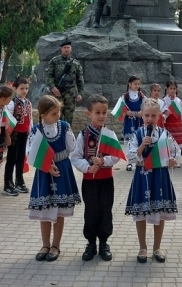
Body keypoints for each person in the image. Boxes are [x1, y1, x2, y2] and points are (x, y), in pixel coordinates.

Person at [28, 95, 81, 262]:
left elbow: (71, 147)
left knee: (58, 211)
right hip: (44, 172)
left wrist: (57, 159)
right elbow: (29, 152)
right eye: (53, 113)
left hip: (61, 170)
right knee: (44, 210)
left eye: (58, 112)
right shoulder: (36, 130)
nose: (58, 115)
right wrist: (46, 164)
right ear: (43, 115)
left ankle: (56, 245)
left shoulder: (64, 127)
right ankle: (45, 244)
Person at [125, 98, 178, 264]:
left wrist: (173, 160)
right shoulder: (137, 134)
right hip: (143, 176)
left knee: (159, 213)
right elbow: (131, 157)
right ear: (142, 116)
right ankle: (142, 247)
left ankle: (157, 247)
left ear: (159, 116)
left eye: (153, 116)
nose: (149, 119)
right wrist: (142, 146)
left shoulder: (165, 134)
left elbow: (175, 151)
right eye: (147, 115)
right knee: (141, 214)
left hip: (160, 177)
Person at [70, 94, 121, 262]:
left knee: (105, 211)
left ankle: (104, 242)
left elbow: (116, 155)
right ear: (89, 114)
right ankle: (91, 242)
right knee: (91, 212)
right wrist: (88, 167)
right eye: (97, 112)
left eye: (104, 112)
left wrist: (104, 161)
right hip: (89, 181)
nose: (101, 116)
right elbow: (76, 157)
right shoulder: (83, 135)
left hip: (106, 180)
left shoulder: (110, 134)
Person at [4, 77, 32, 196]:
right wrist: (7, 135)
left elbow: (29, 119)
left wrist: (30, 131)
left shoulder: (28, 102)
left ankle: (19, 181)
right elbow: (7, 119)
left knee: (21, 158)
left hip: (24, 133)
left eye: (26, 88)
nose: (24, 91)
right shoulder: (11, 103)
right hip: (14, 134)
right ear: (15, 89)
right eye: (21, 88)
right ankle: (8, 184)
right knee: (11, 159)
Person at [44, 41, 83, 124]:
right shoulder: (54, 61)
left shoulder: (76, 63)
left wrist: (79, 93)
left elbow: (80, 79)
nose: (66, 49)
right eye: (64, 47)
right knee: (56, 112)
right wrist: (53, 87)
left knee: (69, 113)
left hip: (71, 93)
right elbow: (48, 76)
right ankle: (57, 132)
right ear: (61, 49)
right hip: (58, 91)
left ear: (71, 49)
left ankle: (67, 131)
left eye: (68, 47)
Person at [119, 76, 145, 170]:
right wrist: (126, 112)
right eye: (135, 84)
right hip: (129, 122)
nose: (137, 86)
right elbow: (121, 107)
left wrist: (141, 113)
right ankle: (129, 162)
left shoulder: (141, 95)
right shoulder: (125, 96)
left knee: (140, 141)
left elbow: (145, 105)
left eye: (138, 84)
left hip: (139, 121)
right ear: (130, 84)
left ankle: (139, 160)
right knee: (129, 142)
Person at [161, 80, 182, 152]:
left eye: (174, 88)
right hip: (169, 124)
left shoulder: (178, 100)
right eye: (171, 88)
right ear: (167, 89)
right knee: (169, 141)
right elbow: (162, 111)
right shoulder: (164, 100)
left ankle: (176, 159)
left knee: (177, 142)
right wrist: (166, 113)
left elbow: (181, 113)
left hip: (177, 124)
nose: (172, 90)